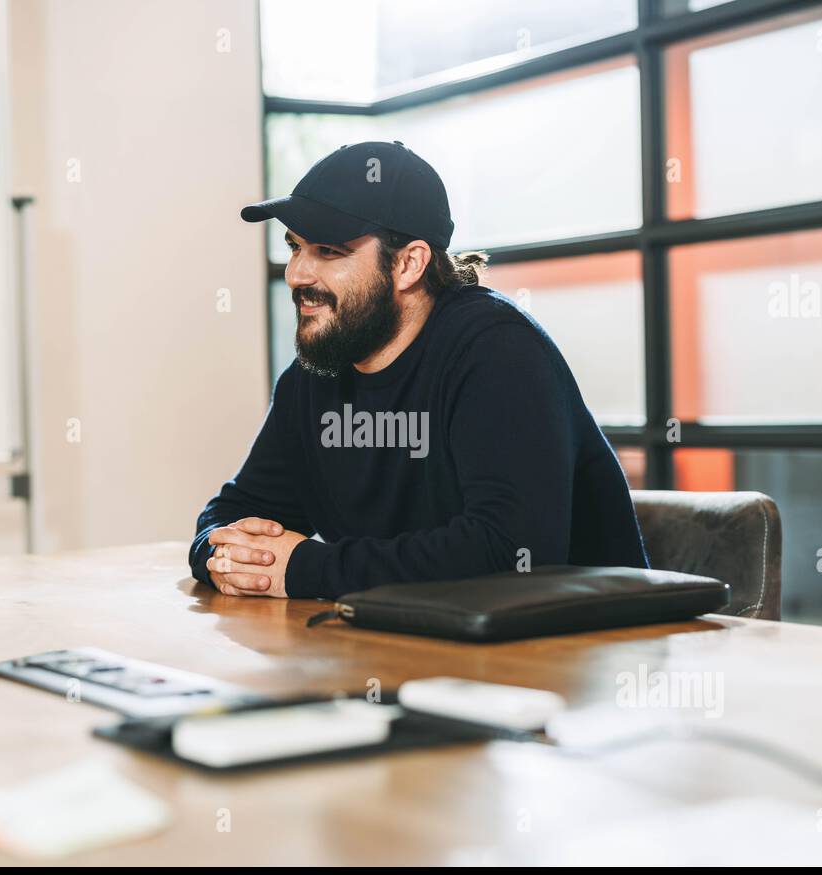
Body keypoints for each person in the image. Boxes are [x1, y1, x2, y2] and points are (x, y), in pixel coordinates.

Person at [191, 141, 647, 600]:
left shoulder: (497, 350)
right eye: (295, 247)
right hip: (416, 651)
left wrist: (308, 569)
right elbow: (236, 510)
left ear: (409, 263)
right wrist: (225, 559)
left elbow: (514, 553)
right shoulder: (317, 372)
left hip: (584, 651)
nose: (296, 274)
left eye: (328, 251)